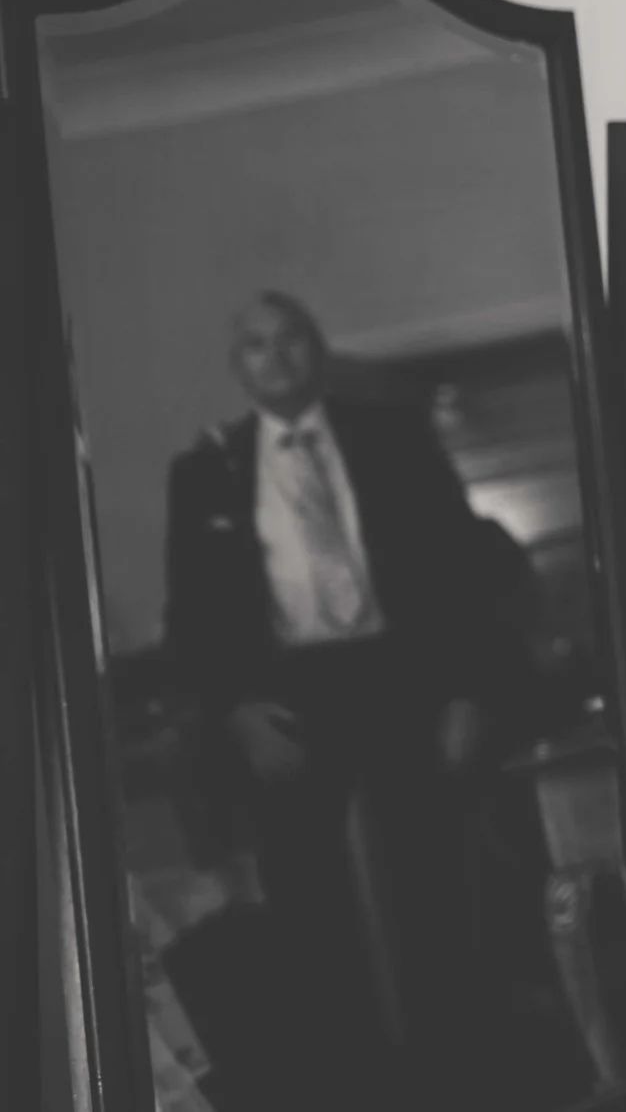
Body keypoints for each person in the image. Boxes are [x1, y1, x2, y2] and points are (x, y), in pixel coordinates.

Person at [163, 291, 522, 1103]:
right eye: (256, 345)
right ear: (238, 366)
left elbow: (460, 566)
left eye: (290, 339)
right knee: (308, 899)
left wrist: (467, 689)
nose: (277, 356)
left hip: (401, 674)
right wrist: (236, 711)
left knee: (431, 875)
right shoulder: (204, 471)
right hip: (288, 694)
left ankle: (460, 1067)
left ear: (315, 349)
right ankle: (355, 1082)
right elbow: (189, 612)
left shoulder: (392, 437)